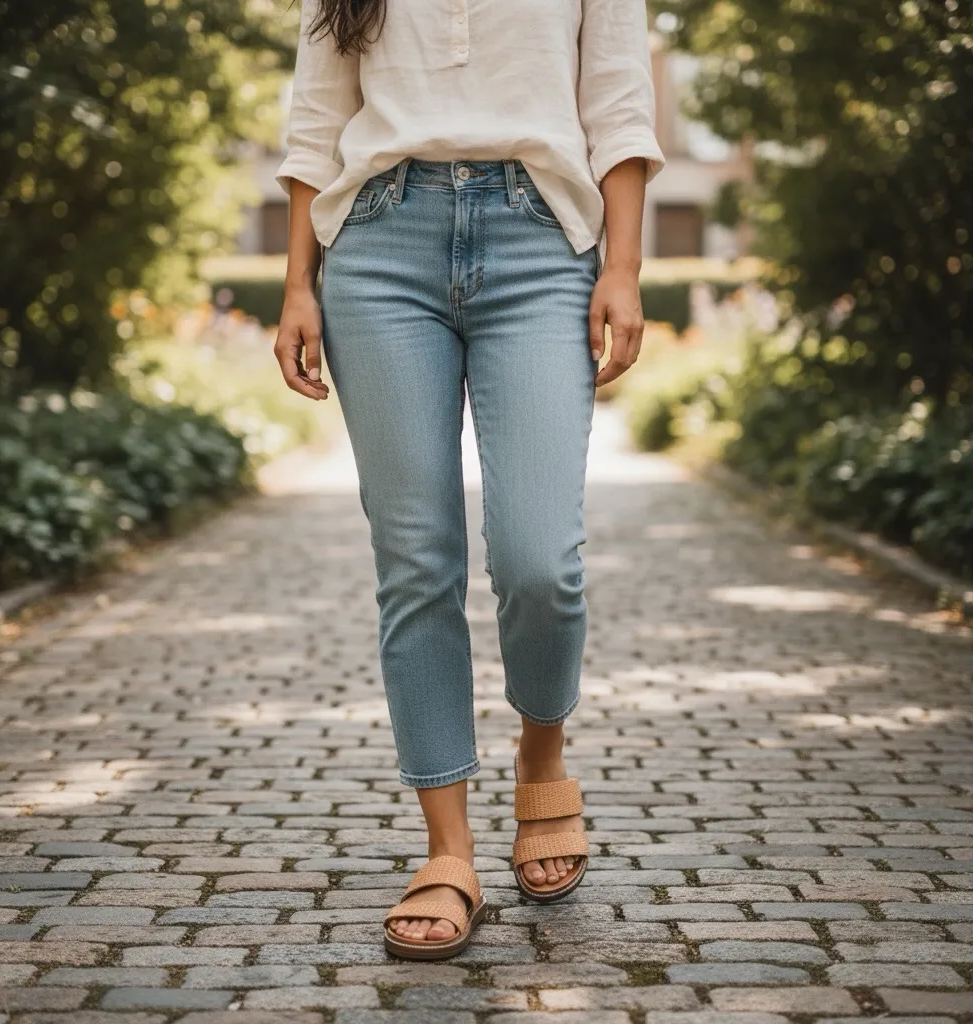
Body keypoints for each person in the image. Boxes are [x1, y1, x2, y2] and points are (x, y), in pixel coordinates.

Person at [273, 0, 664, 960]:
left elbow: (617, 98)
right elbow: (316, 115)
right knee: (416, 561)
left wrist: (623, 265)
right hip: (379, 243)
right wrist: (297, 284)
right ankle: (448, 851)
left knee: (541, 558)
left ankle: (543, 759)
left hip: (541, 243)